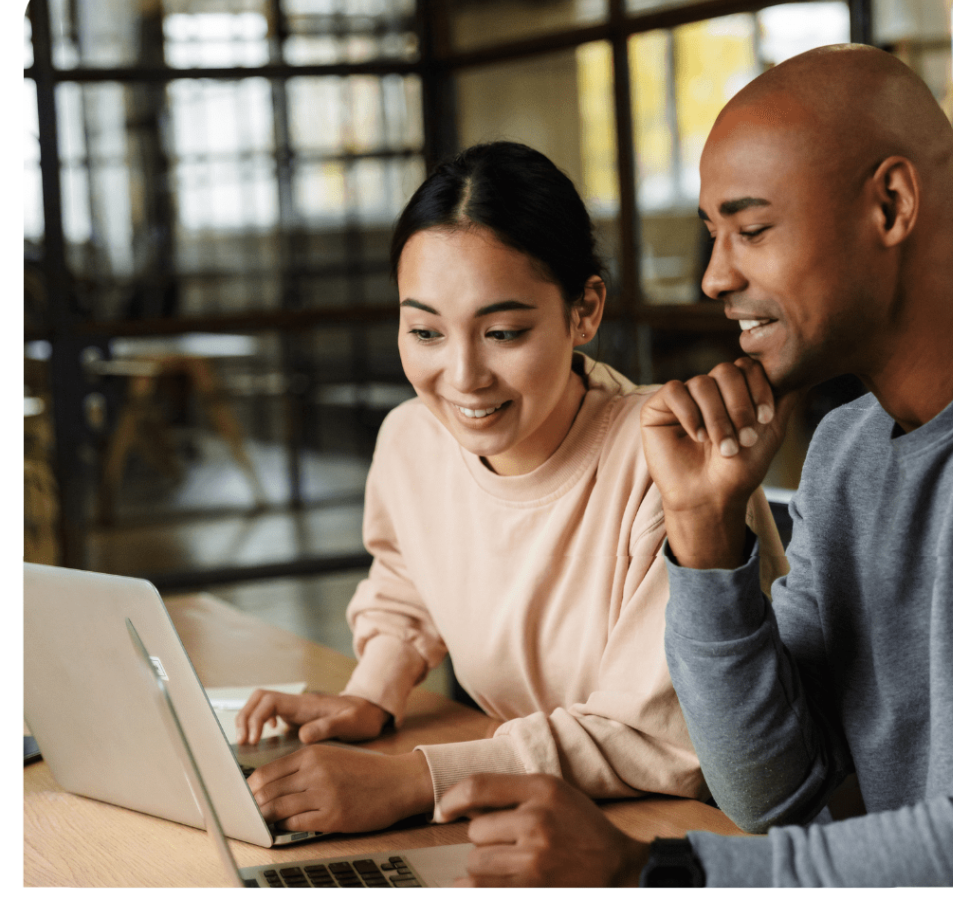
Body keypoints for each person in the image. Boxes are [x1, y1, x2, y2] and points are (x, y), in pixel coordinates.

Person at [435, 44, 953, 887]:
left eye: (752, 229)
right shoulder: (848, 456)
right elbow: (771, 789)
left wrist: (649, 867)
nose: (713, 275)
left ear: (890, 203)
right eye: (712, 235)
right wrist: (704, 534)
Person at [235, 141, 784, 834]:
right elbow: (409, 575)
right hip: (538, 813)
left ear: (585, 311)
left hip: (679, 835)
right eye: (425, 330)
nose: (463, 375)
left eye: (502, 331)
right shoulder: (413, 438)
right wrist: (372, 690)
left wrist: (417, 778)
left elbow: (658, 737)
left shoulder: (671, 461)